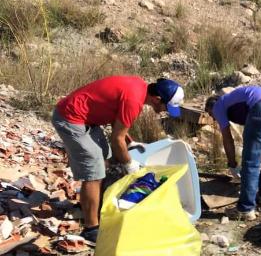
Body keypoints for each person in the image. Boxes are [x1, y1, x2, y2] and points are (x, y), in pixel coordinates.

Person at [52, 76, 184, 242]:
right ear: (157, 99)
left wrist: (130, 142)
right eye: (166, 107)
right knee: (94, 172)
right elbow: (116, 139)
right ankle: (91, 228)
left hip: (88, 120)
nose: (165, 111)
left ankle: (97, 206)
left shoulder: (139, 88)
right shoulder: (134, 100)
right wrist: (129, 164)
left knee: (108, 158)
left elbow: (118, 122)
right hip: (70, 118)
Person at [205, 85, 261, 221]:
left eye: (210, 114)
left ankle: (246, 208)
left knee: (251, 160)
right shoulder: (233, 102)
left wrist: (232, 164)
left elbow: (227, 138)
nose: (213, 118)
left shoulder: (218, 106)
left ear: (211, 107)